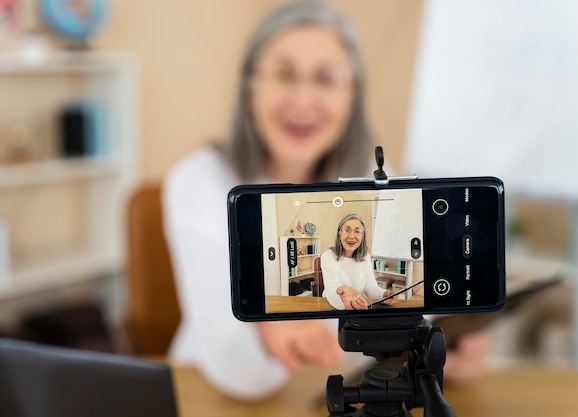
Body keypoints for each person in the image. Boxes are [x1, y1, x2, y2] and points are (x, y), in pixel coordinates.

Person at [163, 0, 488, 401]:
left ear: (352, 95)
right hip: (210, 391)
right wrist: (269, 332)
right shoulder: (199, 181)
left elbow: (404, 299)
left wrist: (438, 348)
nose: (303, 100)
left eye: (327, 78)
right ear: (250, 85)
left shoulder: (375, 177)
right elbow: (228, 354)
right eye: (283, 74)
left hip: (331, 392)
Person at [321, 213, 398, 310]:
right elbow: (331, 289)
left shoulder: (365, 257)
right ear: (339, 234)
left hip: (357, 307)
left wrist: (383, 294)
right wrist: (344, 295)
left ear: (362, 236)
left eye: (357, 231)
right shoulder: (328, 256)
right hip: (332, 308)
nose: (352, 236)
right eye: (347, 230)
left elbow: (369, 287)